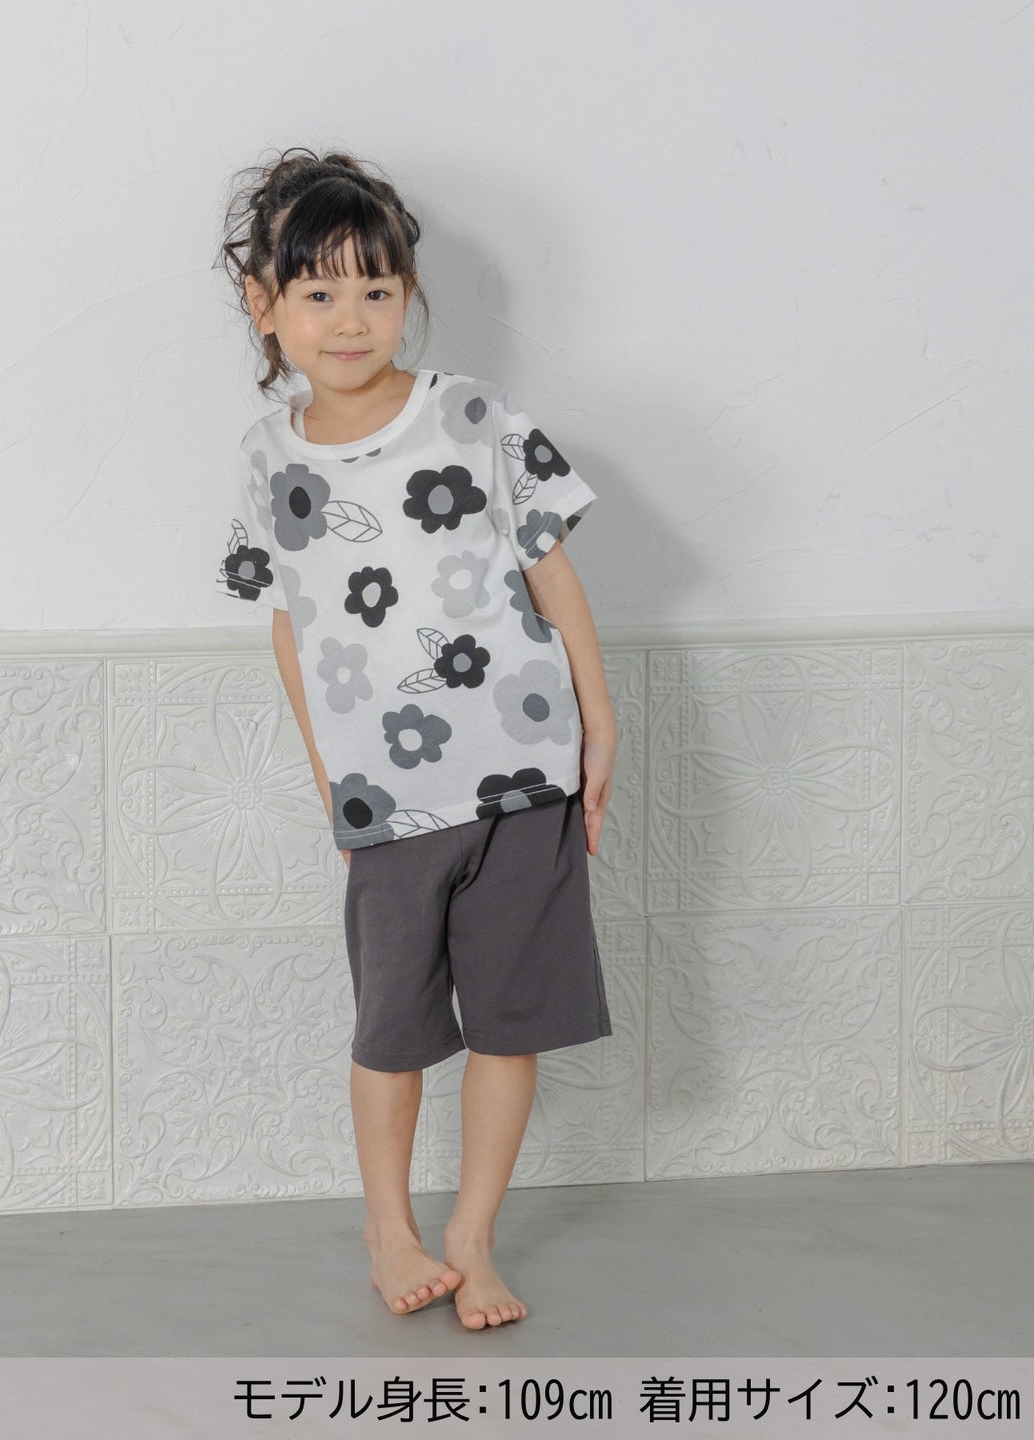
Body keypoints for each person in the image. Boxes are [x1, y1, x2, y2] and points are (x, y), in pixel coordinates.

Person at [215, 145, 618, 1330]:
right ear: (265, 304)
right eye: (319, 291)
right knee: (391, 1026)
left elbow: (553, 572)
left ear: (408, 293)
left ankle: (473, 1239)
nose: (351, 318)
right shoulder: (265, 460)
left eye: (376, 288)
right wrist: (330, 774)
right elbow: (288, 625)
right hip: (385, 798)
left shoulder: (473, 417)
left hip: (524, 772)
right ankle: (388, 1232)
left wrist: (600, 725)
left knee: (510, 1019)